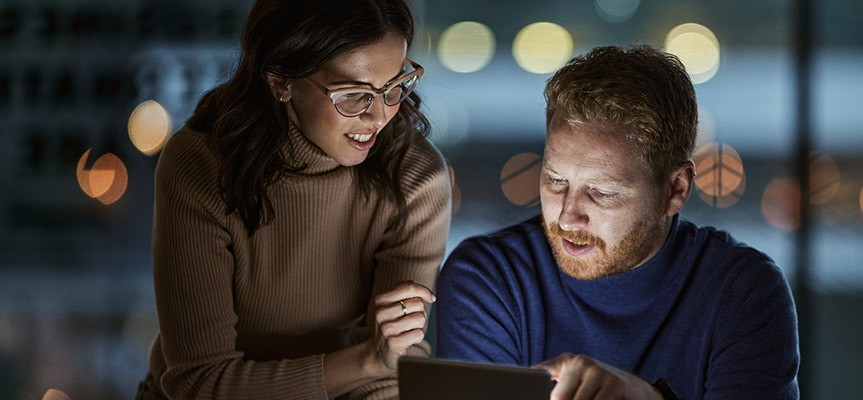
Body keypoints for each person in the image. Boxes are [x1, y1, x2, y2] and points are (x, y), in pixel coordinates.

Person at [435, 45, 800, 400]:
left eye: (602, 193)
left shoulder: (743, 294)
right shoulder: (490, 278)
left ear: (676, 189)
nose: (567, 216)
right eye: (555, 181)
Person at [137, 0, 450, 398]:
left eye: (394, 87)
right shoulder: (201, 168)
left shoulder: (414, 179)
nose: (379, 116)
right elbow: (199, 383)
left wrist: (379, 366)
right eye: (353, 94)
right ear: (281, 80)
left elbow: (393, 370)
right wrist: (367, 361)